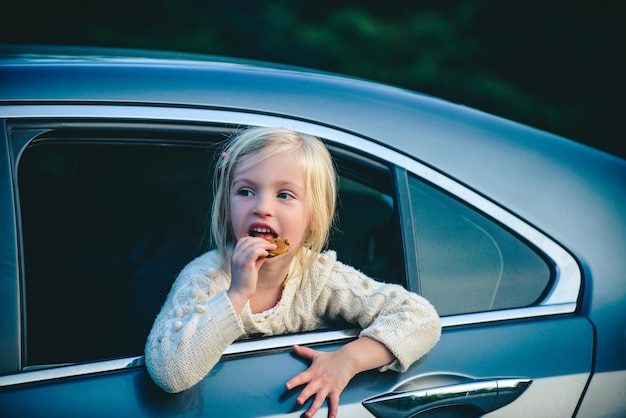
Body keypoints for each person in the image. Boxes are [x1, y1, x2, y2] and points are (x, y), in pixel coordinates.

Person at [145, 127, 441, 418]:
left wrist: (347, 360)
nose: (262, 208)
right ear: (225, 208)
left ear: (313, 215)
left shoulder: (317, 276)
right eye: (246, 191)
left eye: (284, 195)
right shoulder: (205, 277)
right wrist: (236, 294)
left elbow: (420, 318)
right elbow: (169, 371)